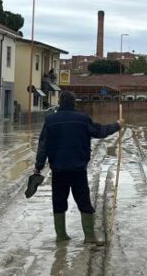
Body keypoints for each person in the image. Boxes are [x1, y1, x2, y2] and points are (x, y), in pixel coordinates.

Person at [34, 90, 123, 243]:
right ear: (74, 103)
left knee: (59, 202)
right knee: (84, 202)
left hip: (58, 170)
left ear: (60, 102)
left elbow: (43, 146)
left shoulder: (50, 120)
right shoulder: (82, 119)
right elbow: (99, 131)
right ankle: (89, 237)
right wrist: (117, 125)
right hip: (78, 169)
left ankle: (61, 237)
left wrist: (38, 167)